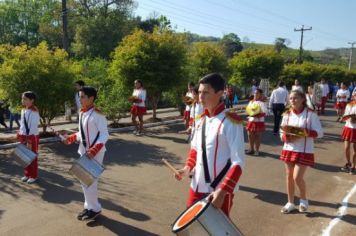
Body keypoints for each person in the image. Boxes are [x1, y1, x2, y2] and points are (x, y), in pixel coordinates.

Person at [175, 73, 245, 217]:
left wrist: (223, 190)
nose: (200, 96)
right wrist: (187, 168)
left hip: (218, 190)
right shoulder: (201, 120)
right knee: (193, 227)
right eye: (199, 92)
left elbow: (238, 162)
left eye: (206, 92)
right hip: (196, 186)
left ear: (220, 93)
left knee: (216, 230)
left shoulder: (231, 122)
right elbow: (195, 149)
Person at [63, 86, 109, 221]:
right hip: (84, 151)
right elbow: (81, 133)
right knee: (84, 180)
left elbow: (105, 134)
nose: (80, 99)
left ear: (91, 98)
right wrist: (71, 138)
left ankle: (95, 209)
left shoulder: (98, 114)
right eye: (79, 96)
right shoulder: (82, 113)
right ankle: (89, 206)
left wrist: (94, 149)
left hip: (96, 152)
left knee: (91, 181)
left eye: (82, 96)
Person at [279, 90, 323, 213]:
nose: (292, 100)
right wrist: (286, 137)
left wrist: (304, 133)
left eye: (295, 98)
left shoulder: (311, 114)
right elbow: (282, 131)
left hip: (304, 150)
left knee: (297, 177)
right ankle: (290, 202)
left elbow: (320, 133)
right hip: (288, 149)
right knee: (289, 177)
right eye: (291, 98)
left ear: (303, 99)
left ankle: (303, 200)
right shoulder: (286, 114)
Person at [17, 91, 40, 184]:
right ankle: (27, 174)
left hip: (31, 136)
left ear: (32, 100)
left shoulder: (34, 111)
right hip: (24, 136)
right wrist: (19, 132)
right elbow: (22, 124)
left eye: (25, 99)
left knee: (32, 156)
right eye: (22, 98)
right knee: (24, 156)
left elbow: (33, 126)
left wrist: (29, 137)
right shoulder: (23, 110)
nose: (23, 100)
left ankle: (33, 175)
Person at [245, 89, 267, 156]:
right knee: (250, 135)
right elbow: (248, 110)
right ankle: (251, 149)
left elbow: (265, 112)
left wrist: (257, 115)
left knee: (257, 136)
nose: (255, 94)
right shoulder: (251, 102)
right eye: (254, 93)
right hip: (251, 121)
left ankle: (257, 150)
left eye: (257, 93)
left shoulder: (262, 103)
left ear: (260, 94)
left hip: (259, 121)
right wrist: (249, 114)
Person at [340, 92, 356, 175]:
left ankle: (353, 166)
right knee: (346, 148)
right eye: (355, 95)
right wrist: (346, 118)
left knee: (355, 150)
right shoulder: (349, 104)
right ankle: (348, 163)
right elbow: (345, 116)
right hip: (348, 128)